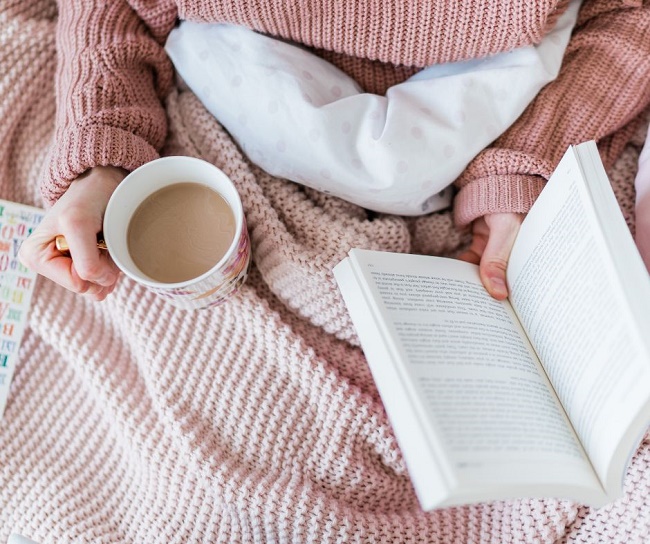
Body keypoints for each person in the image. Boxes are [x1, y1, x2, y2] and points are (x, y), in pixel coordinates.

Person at [18, 0, 650, 303]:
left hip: (499, 112)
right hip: (212, 100)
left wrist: (514, 173)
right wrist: (102, 160)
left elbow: (629, 14)